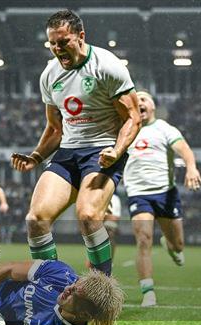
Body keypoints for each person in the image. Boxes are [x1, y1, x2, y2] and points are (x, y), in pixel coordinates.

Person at [10, 10, 141, 275]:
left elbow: (133, 118)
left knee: (88, 216)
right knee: (36, 219)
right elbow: (55, 128)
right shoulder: (50, 75)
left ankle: (101, 289)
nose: (57, 49)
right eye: (52, 43)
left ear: (81, 37)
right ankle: (51, 284)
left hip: (102, 150)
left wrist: (116, 151)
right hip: (68, 152)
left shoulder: (107, 66)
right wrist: (35, 156)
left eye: (63, 41)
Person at [123, 91, 201, 307]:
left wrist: (191, 168)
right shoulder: (125, 129)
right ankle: (148, 293)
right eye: (136, 100)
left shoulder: (164, 129)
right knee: (143, 239)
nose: (140, 103)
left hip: (165, 193)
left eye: (144, 100)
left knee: (178, 244)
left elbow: (184, 149)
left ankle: (170, 246)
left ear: (153, 106)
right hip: (138, 194)